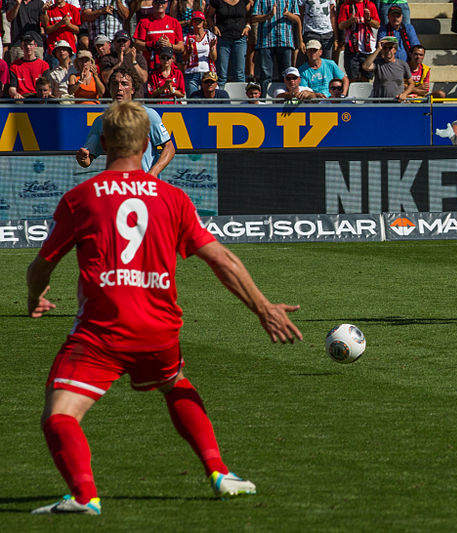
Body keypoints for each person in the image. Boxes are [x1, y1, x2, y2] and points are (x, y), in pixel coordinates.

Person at [28, 99, 302, 516]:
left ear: (104, 142)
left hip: (102, 331)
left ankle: (84, 496)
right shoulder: (172, 198)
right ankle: (220, 474)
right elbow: (222, 259)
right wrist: (263, 307)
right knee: (174, 383)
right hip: (159, 329)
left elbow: (41, 265)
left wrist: (35, 296)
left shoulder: (80, 197)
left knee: (59, 414)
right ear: (145, 145)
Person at [77, 66, 176, 176]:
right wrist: (83, 159)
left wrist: (153, 173)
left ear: (133, 89)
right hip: (117, 188)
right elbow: (87, 160)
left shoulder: (148, 115)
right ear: (110, 88)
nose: (119, 88)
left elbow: (169, 148)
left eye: (124, 84)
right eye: (115, 84)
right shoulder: (101, 121)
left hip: (144, 188)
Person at [251, 0, 298, 88]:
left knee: (286, 75)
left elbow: (297, 19)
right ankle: (264, 100)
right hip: (266, 41)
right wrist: (268, 16)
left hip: (285, 40)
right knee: (265, 76)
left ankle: (286, 99)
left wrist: (288, 14)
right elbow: (254, 18)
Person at [134, 0, 185, 73]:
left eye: (162, 2)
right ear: (153, 4)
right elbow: (137, 44)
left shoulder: (174, 22)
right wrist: (155, 44)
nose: (160, 5)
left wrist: (169, 45)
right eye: (157, 2)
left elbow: (181, 47)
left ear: (167, 4)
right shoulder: (144, 22)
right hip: (151, 66)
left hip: (169, 67)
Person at [337, 0, 380, 82]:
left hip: (367, 49)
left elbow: (377, 25)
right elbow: (341, 26)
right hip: (351, 48)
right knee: (353, 78)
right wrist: (350, 21)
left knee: (366, 79)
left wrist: (369, 19)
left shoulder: (370, 5)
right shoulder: (346, 5)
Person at [361, 35, 414, 101]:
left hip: (397, 102)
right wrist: (378, 49)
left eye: (390, 48)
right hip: (380, 103)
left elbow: (411, 83)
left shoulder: (403, 65)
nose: (387, 50)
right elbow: (365, 66)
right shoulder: (378, 63)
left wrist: (405, 94)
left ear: (395, 50)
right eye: (385, 48)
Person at [100, 30, 148, 98]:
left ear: (129, 42)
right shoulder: (107, 58)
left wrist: (134, 62)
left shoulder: (138, 57)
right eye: (119, 41)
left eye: (124, 41)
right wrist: (118, 63)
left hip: (136, 100)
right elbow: (106, 79)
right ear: (114, 43)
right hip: (114, 100)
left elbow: (144, 79)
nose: (121, 43)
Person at [183, 11, 217, 97]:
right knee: (192, 101)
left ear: (204, 22)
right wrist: (190, 51)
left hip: (207, 72)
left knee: (208, 100)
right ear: (192, 23)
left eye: (199, 20)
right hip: (191, 73)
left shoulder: (210, 36)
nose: (197, 23)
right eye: (195, 21)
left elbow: (214, 58)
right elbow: (184, 58)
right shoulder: (186, 38)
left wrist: (212, 48)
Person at [8, 32, 50, 98]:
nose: (28, 47)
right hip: (22, 97)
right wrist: (16, 94)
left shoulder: (44, 65)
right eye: (25, 45)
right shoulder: (14, 66)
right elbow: (12, 88)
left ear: (35, 45)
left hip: (38, 96)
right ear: (21, 47)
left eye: (30, 44)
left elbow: (47, 87)